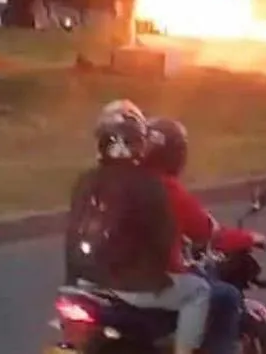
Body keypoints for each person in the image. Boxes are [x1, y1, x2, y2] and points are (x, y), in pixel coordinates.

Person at [65, 99, 211, 354]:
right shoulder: (150, 186)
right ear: (139, 144)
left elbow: (73, 232)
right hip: (131, 286)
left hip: (85, 281)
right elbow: (163, 242)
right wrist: (178, 269)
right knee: (198, 290)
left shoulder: (86, 181)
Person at [145, 116, 266, 354]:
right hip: (152, 283)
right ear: (176, 155)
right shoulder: (169, 191)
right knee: (227, 296)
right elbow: (211, 234)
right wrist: (248, 237)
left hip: (107, 279)